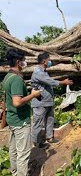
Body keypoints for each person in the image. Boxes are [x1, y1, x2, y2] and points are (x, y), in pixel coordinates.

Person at [2, 48, 41, 176]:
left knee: (13, 150)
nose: (25, 62)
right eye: (24, 60)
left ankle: (15, 173)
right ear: (18, 62)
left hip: (12, 119)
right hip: (21, 122)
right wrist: (33, 95)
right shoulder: (17, 80)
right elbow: (17, 102)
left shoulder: (8, 77)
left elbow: (7, 98)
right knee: (23, 154)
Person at [31, 52, 73, 148]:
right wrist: (64, 82)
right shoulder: (38, 72)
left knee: (50, 119)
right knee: (38, 122)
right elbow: (50, 81)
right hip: (40, 102)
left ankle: (49, 137)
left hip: (47, 101)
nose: (50, 62)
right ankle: (36, 142)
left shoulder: (44, 72)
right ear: (44, 61)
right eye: (49, 60)